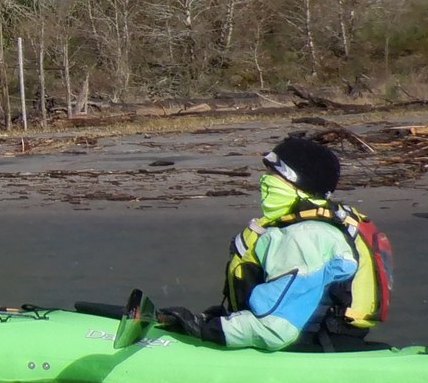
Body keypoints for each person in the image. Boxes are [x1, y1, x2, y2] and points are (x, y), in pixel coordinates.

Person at [159, 134, 389, 352]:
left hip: (307, 345)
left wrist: (210, 331)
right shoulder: (312, 227)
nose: (265, 180)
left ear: (298, 182)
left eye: (274, 174)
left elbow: (277, 329)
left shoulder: (305, 236)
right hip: (325, 340)